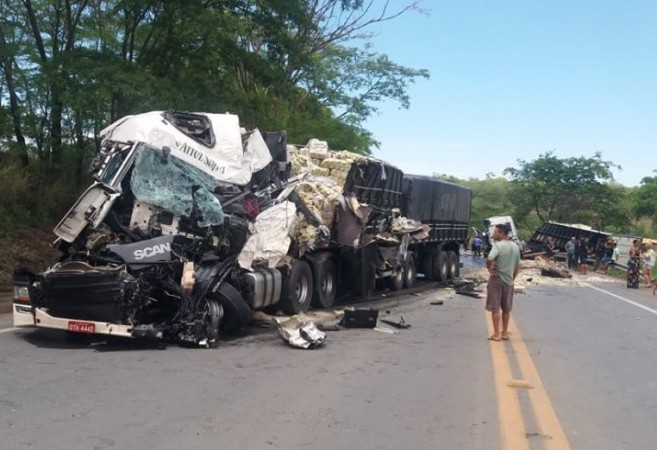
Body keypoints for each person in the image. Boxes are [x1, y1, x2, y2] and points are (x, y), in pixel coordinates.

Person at [485, 224, 521, 342]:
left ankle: (496, 334)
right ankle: (504, 333)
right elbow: (517, 266)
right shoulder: (515, 247)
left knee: (495, 308)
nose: (493, 234)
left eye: (495, 232)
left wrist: (490, 269)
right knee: (506, 308)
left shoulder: (498, 246)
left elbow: (490, 258)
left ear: (501, 233)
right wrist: (512, 279)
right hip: (509, 281)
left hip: (497, 279)